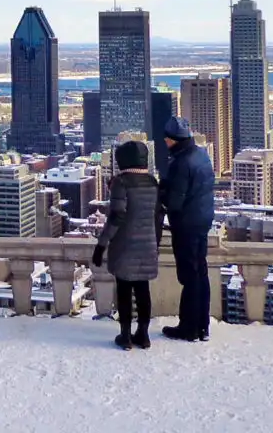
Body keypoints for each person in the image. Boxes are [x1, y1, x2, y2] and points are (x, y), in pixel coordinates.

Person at [92, 140, 162, 350]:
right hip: (148, 244)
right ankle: (143, 334)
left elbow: (116, 217)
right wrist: (155, 242)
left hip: (125, 245)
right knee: (143, 290)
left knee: (124, 290)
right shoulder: (152, 182)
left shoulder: (121, 183)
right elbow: (158, 217)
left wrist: (101, 245)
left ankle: (125, 336)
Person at [158, 116, 215, 342]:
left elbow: (174, 202)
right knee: (200, 272)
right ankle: (203, 326)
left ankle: (189, 328)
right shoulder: (201, 154)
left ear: (172, 140)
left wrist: (162, 192)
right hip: (202, 220)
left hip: (186, 225)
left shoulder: (181, 163)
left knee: (189, 276)